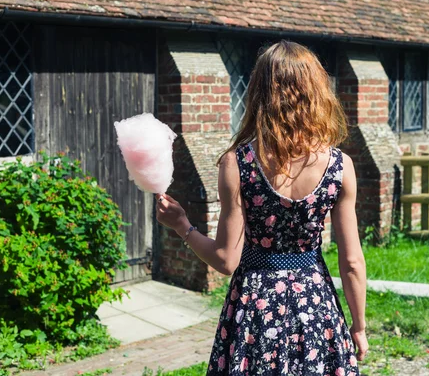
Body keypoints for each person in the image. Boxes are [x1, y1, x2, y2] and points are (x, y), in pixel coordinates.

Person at [155, 40, 368, 376]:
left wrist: (182, 224)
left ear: (258, 93)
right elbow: (352, 262)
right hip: (315, 305)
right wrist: (358, 325)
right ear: (317, 92)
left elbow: (226, 260)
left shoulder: (236, 164)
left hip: (254, 307)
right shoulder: (342, 166)